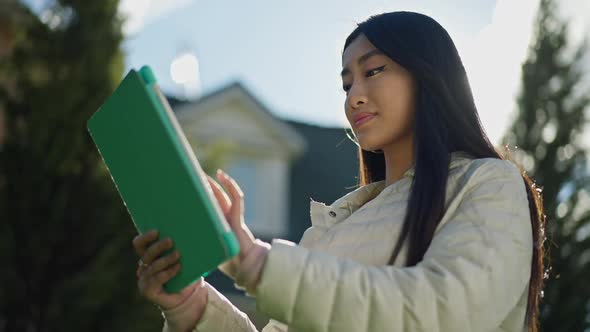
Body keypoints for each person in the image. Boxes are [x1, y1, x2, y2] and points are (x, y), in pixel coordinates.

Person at [132, 11, 547, 332]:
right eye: (346, 84)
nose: (354, 97)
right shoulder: (333, 225)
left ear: (429, 75)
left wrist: (257, 262)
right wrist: (191, 304)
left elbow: (444, 312)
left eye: (373, 71)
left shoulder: (489, 184)